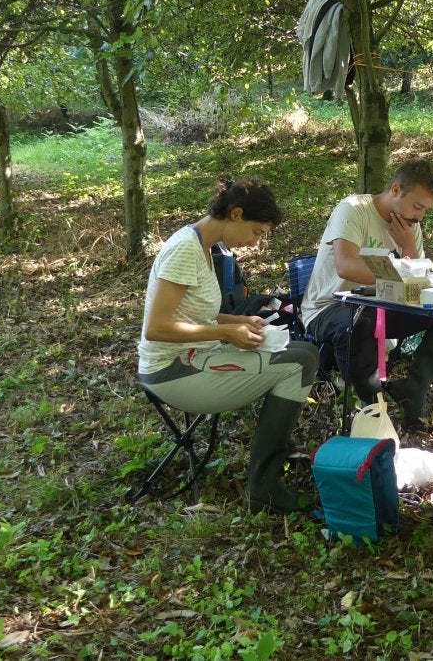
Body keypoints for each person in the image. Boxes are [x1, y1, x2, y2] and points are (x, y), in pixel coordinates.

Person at [137, 177, 319, 514]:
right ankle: (263, 486)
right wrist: (225, 335)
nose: (255, 242)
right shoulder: (185, 250)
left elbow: (195, 312)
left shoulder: (203, 247)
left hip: (196, 356)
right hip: (172, 371)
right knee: (298, 364)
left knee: (306, 352)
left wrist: (236, 322)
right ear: (235, 214)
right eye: (256, 232)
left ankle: (278, 453)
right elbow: (157, 328)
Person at [299, 158, 433, 430]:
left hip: (383, 307)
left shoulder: (410, 227)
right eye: (417, 206)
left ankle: (414, 388)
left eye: (426, 209)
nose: (420, 216)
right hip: (330, 307)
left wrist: (409, 248)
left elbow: (417, 281)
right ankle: (374, 410)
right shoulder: (353, 209)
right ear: (396, 190)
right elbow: (346, 267)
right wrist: (403, 268)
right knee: (358, 323)